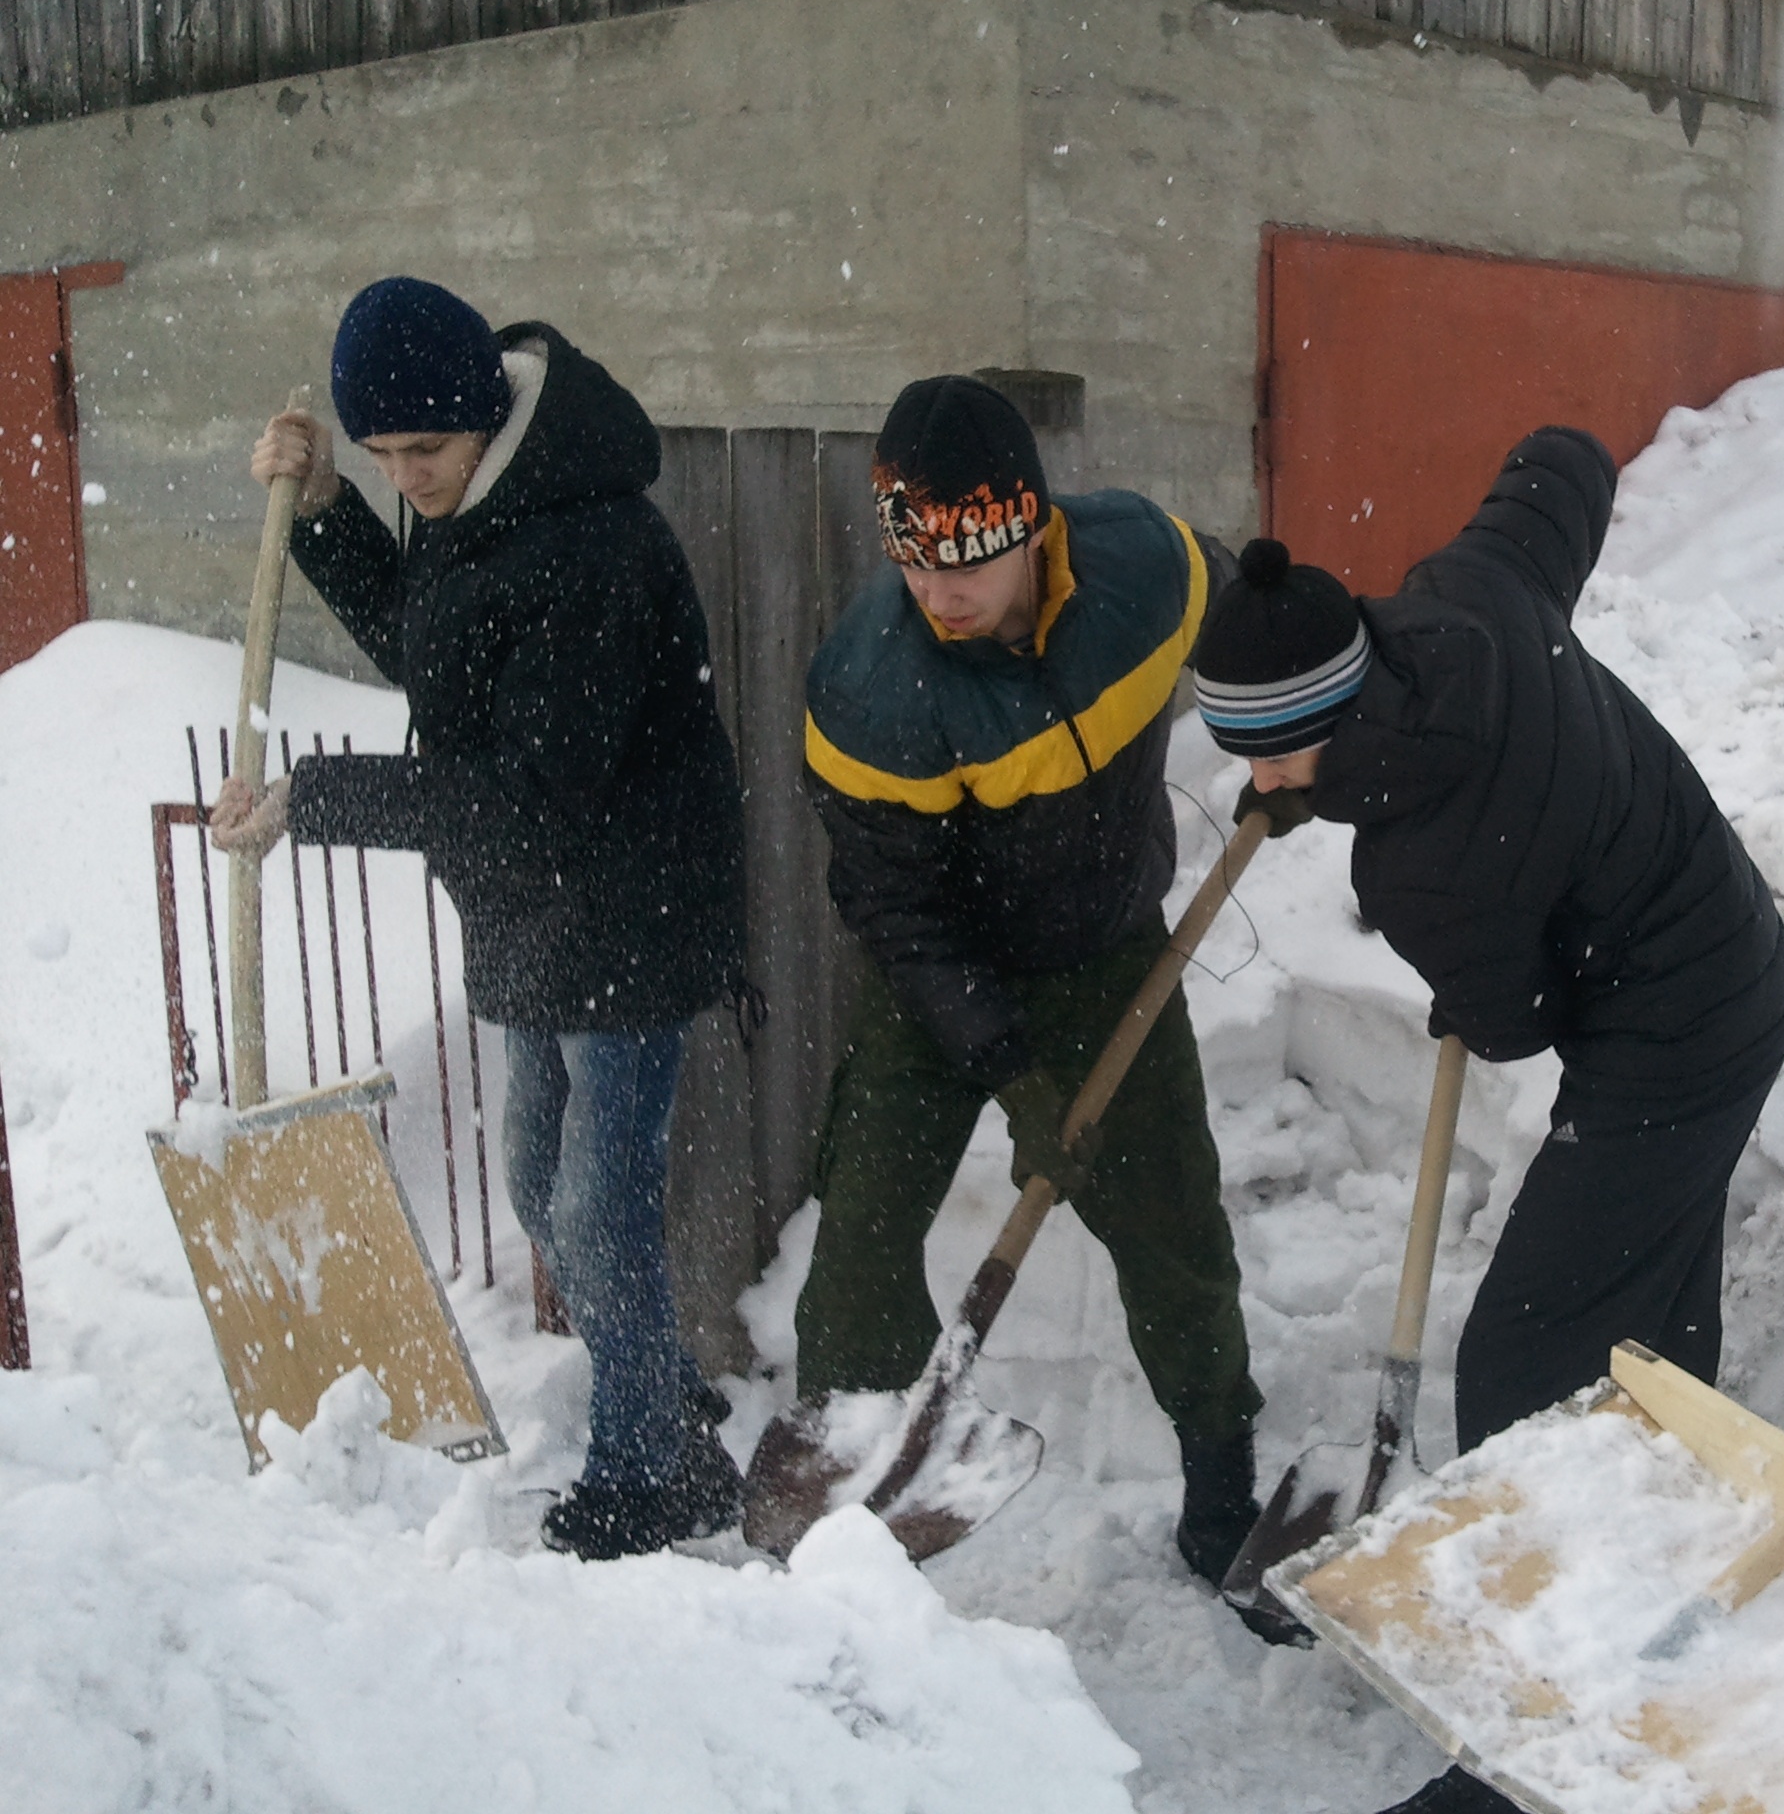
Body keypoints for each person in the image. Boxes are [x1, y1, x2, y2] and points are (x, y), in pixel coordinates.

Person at [1192, 427, 1784, 1814]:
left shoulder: (1430, 866)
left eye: (1264, 759)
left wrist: (1466, 975)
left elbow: (1512, 1021)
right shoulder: (1465, 597)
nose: (1257, 783)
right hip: (1725, 948)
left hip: (1671, 1037)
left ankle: (1539, 1728)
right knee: (1644, 1334)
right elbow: (1558, 473)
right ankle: (1670, 1595)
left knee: (1525, 1352)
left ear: (1313, 733)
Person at [213, 276, 748, 1561]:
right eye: (383, 456)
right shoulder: (477, 503)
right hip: (529, 916)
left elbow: (535, 788)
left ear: (482, 424)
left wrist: (313, 795)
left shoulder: (596, 544)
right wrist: (328, 510)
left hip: (624, 907)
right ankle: (663, 1396)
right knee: (536, 1188)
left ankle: (656, 1476)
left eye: (425, 452)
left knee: (596, 1214)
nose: (412, 480)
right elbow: (429, 642)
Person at [768, 374, 1269, 1590]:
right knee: (866, 1225)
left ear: (1030, 525)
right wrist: (1008, 1067)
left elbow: (1255, 612)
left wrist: (1295, 726)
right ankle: (851, 1494)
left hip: (1104, 955)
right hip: (940, 980)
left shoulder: (1143, 571)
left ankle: (1222, 1486)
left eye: (966, 562)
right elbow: (895, 909)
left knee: (1171, 1226)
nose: (939, 593)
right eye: (915, 563)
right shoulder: (871, 690)